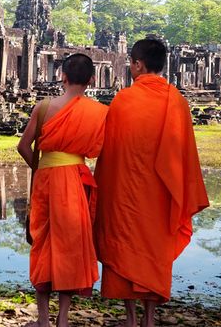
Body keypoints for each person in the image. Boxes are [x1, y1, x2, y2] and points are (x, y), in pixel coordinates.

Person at [94, 38, 210, 327]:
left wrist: (103, 190)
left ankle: (131, 317)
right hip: (161, 196)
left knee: (124, 249)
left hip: (126, 194)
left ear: (137, 64)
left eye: (131, 63)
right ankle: (148, 318)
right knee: (154, 252)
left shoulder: (124, 100)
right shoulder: (177, 101)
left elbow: (110, 154)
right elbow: (184, 155)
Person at [17, 53, 108, 327]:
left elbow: (23, 147)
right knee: (71, 245)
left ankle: (43, 319)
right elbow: (100, 150)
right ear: (92, 80)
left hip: (46, 179)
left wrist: (42, 167)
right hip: (75, 179)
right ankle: (63, 319)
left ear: (63, 76)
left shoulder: (44, 107)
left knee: (43, 242)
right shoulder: (99, 112)